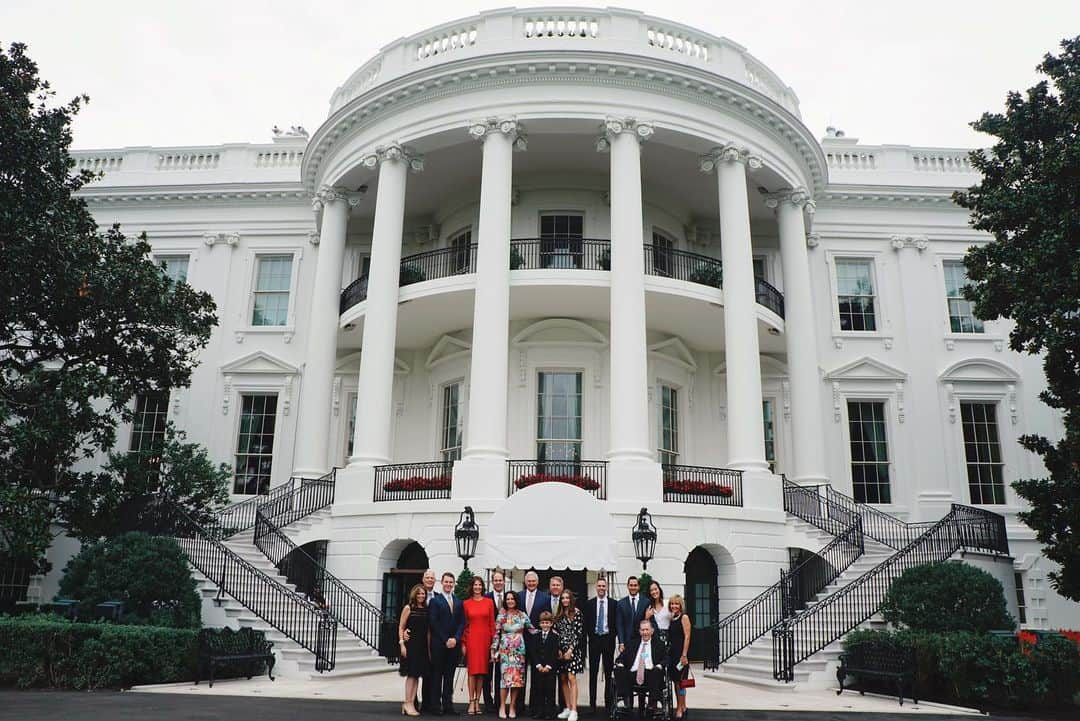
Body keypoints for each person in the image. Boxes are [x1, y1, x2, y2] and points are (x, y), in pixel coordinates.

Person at [491, 590, 533, 719]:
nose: (510, 601)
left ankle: (513, 706)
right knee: (505, 680)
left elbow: (531, 629)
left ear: (516, 600)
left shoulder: (522, 615)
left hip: (519, 651)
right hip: (505, 651)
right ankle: (502, 706)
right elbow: (496, 633)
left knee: (516, 680)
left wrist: (549, 631)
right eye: (508, 599)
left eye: (512, 599)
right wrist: (493, 649)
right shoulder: (501, 615)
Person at [429, 571, 465, 715]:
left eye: (451, 582)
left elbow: (462, 622)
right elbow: (434, 622)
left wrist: (455, 639)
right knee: (437, 676)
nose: (448, 584)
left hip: (453, 645)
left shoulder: (458, 601)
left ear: (454, 584)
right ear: (441, 583)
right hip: (439, 644)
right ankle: (435, 706)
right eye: (446, 582)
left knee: (449, 676)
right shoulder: (435, 601)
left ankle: (448, 706)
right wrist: (445, 640)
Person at [613, 620, 667, 712]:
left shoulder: (659, 644)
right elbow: (621, 657)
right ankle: (626, 699)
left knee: (656, 672)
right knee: (618, 669)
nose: (645, 632)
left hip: (651, 673)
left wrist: (660, 665)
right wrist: (620, 663)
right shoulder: (632, 643)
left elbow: (666, 658)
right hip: (633, 673)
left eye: (647, 630)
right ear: (639, 631)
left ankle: (652, 702)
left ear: (652, 631)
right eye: (642, 630)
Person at [463, 576, 496, 716]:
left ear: (483, 587)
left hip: (485, 640)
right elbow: (464, 624)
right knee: (472, 672)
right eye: (475, 585)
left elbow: (492, 624)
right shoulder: (466, 603)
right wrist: (463, 643)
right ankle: (471, 701)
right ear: (472, 587)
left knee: (482, 672)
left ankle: (477, 701)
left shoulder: (489, 602)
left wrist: (494, 644)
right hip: (471, 639)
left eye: (480, 585)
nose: (477, 587)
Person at [518, 571, 550, 717]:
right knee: (520, 673)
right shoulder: (519, 596)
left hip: (537, 642)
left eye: (533, 581)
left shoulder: (545, 597)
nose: (531, 583)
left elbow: (547, 618)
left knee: (537, 676)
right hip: (520, 641)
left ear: (537, 582)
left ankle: (534, 707)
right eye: (528, 581)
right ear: (525, 582)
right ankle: (519, 706)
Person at [584, 578, 616, 715]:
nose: (601, 588)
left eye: (604, 586)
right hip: (594, 640)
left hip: (608, 640)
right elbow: (586, 623)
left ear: (607, 587)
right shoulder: (589, 604)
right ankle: (592, 704)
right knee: (593, 673)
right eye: (599, 586)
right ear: (596, 588)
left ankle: (608, 704)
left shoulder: (614, 604)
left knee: (609, 673)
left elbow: (616, 622)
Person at [398, 584, 431, 717]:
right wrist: (402, 644)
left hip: (422, 646)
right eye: (419, 594)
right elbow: (401, 627)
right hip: (410, 645)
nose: (421, 596)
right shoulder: (408, 608)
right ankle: (407, 702)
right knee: (411, 675)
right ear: (414, 595)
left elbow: (428, 631)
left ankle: (411, 702)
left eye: (423, 594)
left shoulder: (426, 609)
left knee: (417, 676)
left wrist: (429, 650)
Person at [553, 591, 583, 721]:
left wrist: (570, 649)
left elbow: (578, 634)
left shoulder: (577, 613)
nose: (565, 600)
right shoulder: (558, 615)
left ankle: (574, 710)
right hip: (561, 651)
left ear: (571, 599)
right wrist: (559, 649)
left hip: (573, 651)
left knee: (572, 678)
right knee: (563, 679)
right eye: (563, 598)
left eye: (567, 598)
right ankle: (568, 707)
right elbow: (556, 632)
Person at [527, 611, 560, 720]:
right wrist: (538, 665)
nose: (545, 625)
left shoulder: (555, 637)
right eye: (543, 623)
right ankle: (539, 711)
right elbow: (533, 652)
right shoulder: (535, 636)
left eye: (547, 623)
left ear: (551, 624)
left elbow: (554, 653)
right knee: (538, 690)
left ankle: (549, 712)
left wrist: (548, 666)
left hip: (550, 669)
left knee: (550, 690)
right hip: (538, 668)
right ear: (540, 624)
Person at [484, 570, 508, 713]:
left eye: (501, 580)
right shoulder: (486, 598)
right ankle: (488, 702)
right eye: (496, 580)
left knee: (501, 673)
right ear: (492, 582)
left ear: (504, 582)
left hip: (505, 641)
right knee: (488, 673)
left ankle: (499, 702)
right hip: (488, 639)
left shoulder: (509, 598)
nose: (498, 582)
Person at [666, 596, 692, 720]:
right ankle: (683, 706)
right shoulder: (672, 618)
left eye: (676, 604)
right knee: (677, 682)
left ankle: (679, 707)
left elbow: (687, 637)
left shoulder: (684, 617)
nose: (674, 606)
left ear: (681, 605)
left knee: (681, 683)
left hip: (681, 655)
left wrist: (684, 655)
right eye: (672, 604)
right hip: (673, 654)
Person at [420, 569, 439, 714]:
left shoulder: (438, 597)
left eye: (432, 578)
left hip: (434, 640)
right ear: (423, 579)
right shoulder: (417, 595)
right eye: (427, 577)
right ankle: (416, 703)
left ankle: (431, 703)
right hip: (418, 639)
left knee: (432, 672)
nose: (430, 580)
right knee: (417, 672)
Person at [615, 577, 647, 656]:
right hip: (627, 642)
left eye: (635, 585)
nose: (633, 587)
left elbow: (648, 622)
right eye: (631, 585)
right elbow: (620, 624)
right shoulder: (621, 603)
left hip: (642, 641)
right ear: (628, 586)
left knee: (641, 664)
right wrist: (621, 642)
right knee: (628, 666)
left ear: (638, 587)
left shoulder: (646, 602)